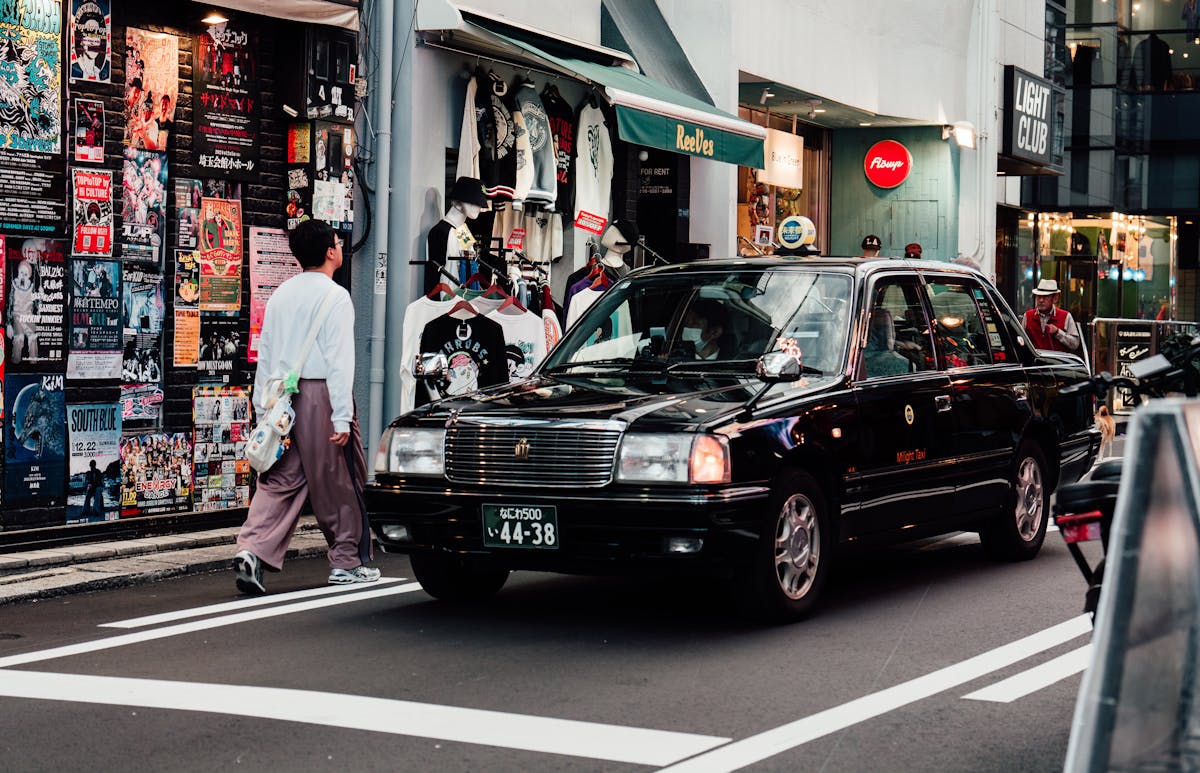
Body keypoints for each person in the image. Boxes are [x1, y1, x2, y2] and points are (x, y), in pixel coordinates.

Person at [234, 219, 380, 593]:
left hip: (282, 399)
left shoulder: (281, 294)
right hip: (322, 396)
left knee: (279, 478)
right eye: (337, 242)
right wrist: (343, 417)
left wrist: (261, 407)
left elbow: (265, 353)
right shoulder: (336, 296)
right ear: (330, 252)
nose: (340, 248)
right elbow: (340, 361)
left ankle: (252, 548)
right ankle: (347, 561)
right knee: (341, 480)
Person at [1024, 278, 1081, 353]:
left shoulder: (1065, 316)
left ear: (1055, 298)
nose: (1041, 300)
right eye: (1038, 296)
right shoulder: (1028, 315)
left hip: (1057, 362)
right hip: (1034, 363)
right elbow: (1021, 340)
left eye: (1045, 297)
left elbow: (1075, 344)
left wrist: (1058, 332)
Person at [863, 309, 912, 377]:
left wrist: (901, 344)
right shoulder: (904, 364)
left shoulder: (857, 357)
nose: (893, 332)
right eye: (890, 326)